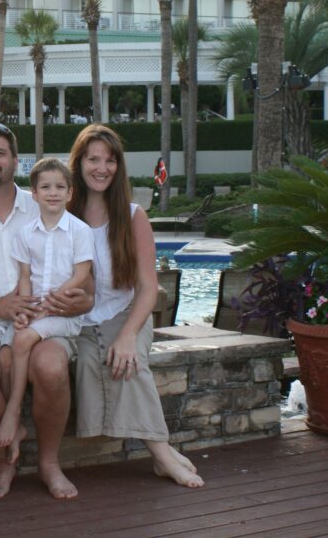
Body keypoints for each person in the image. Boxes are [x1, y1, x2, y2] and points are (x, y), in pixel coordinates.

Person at [0, 122, 93, 500]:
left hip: (43, 319)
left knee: (49, 367)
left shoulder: (45, 202)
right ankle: (4, 463)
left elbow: (88, 288)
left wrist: (79, 301)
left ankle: (49, 464)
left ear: (16, 161)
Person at [67, 124, 204, 489]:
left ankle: (160, 456)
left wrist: (128, 336)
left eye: (110, 161)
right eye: (93, 159)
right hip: (77, 321)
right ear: (78, 164)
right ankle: (164, 453)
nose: (101, 168)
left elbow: (147, 287)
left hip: (128, 312)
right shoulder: (61, 214)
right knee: (94, 358)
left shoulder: (132, 216)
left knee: (128, 361)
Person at [0, 158, 93, 456]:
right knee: (6, 356)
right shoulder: (26, 234)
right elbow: (25, 277)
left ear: (70, 193)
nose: (53, 192)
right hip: (35, 313)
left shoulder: (79, 230)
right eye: (45, 187)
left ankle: (12, 415)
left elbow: (81, 274)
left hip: (63, 315)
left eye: (60, 187)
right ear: (33, 193)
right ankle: (14, 415)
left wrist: (49, 305)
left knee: (21, 340)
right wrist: (23, 311)